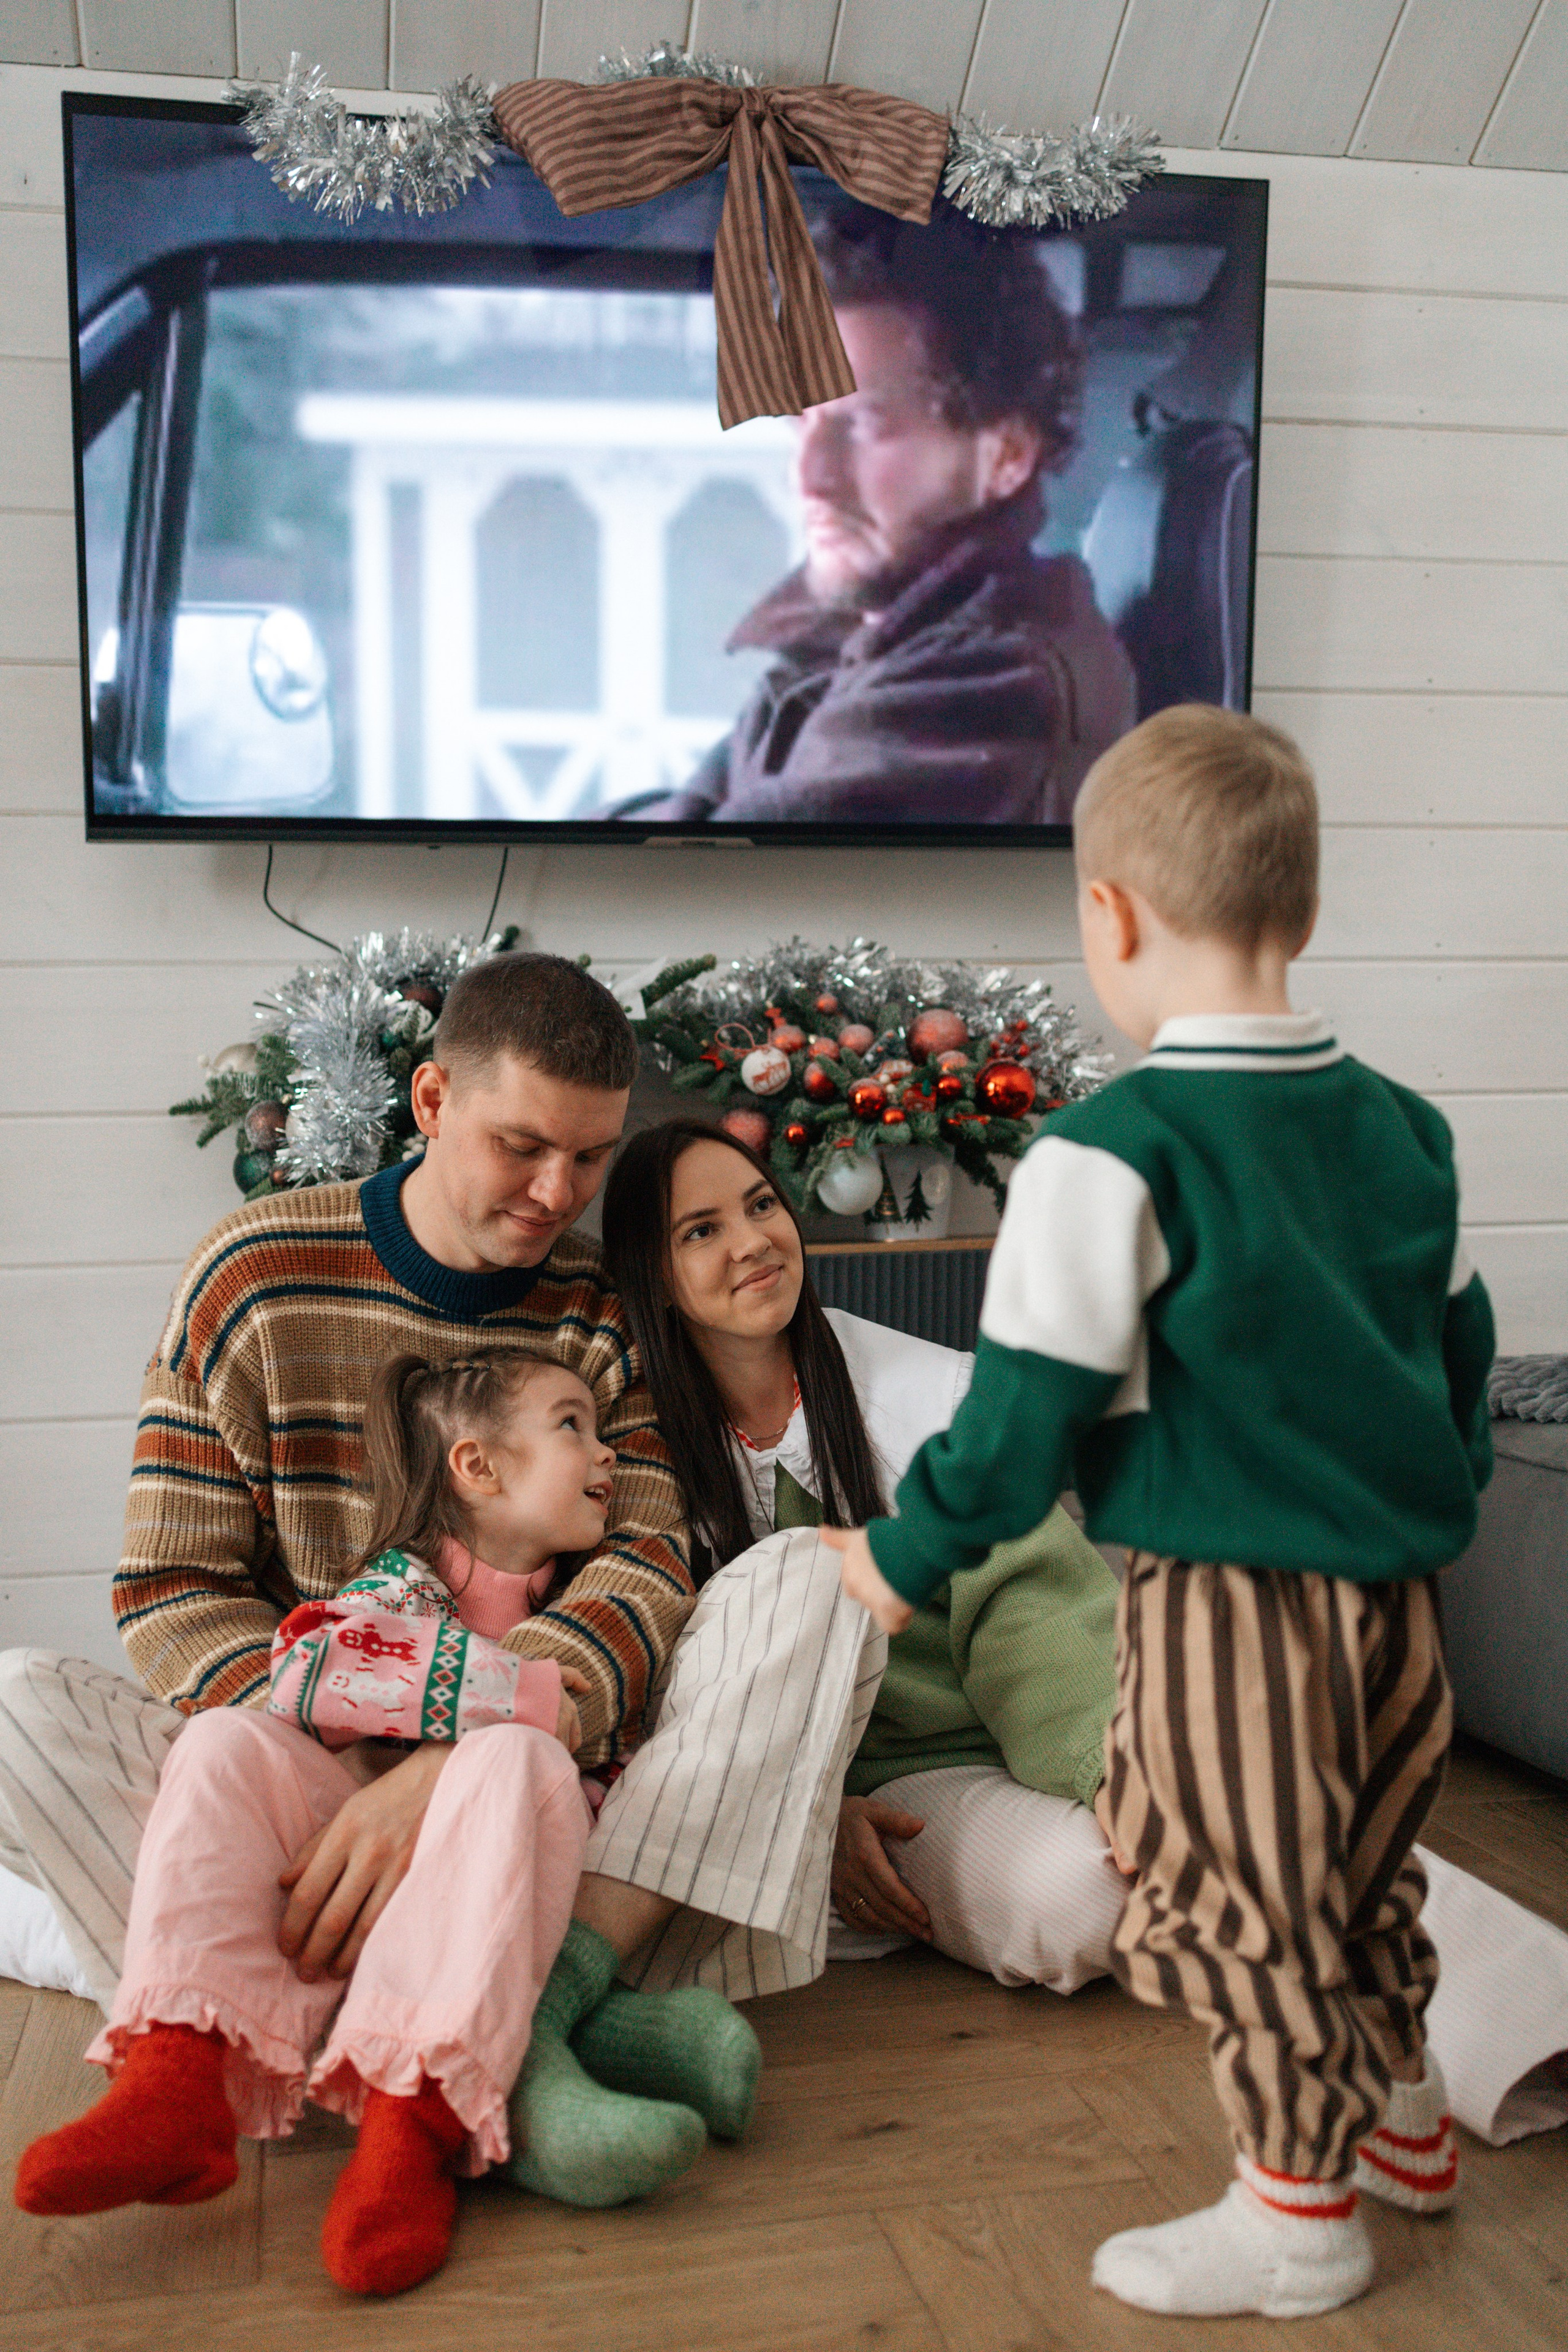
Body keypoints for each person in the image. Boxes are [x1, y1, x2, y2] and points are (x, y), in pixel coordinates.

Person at [829, 704, 1495, 2322]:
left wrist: (903, 1557)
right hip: (1401, 1603)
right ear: (1306, 909)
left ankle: (1295, 2215)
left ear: (1109, 919)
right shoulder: (1405, 1130)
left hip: (1226, 1606)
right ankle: (1402, 2118)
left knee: (1231, 1892)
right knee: (1362, 1862)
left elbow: (1020, 1414)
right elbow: (1461, 1354)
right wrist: (1430, 1500)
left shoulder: (1111, 1152)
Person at [0, 949, 852, 2206]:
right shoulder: (250, 1274)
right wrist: (359, 1766)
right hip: (306, 1773)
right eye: (521, 1146)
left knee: (809, 1591)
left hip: (530, 1772)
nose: (555, 1192)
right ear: (433, 1101)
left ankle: (463, 1999)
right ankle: (468, 2030)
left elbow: (646, 1572)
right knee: (19, 1706)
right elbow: (174, 1591)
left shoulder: (600, 1304)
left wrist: (448, 1769)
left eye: (591, 1156)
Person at [15, 1346, 709, 2295]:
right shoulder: (406, 1582)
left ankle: (409, 2125)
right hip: (344, 1866)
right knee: (222, 1742)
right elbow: (314, 1676)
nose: (607, 1456)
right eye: (571, 1427)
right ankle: (175, 2078)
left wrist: (497, 1732)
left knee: (514, 1758)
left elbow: (602, 1773)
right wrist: (531, 1693)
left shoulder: (599, 1610)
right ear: (477, 1466)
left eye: (601, 1431)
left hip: (495, 1900)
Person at [599, 1117, 1129, 1998]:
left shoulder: (920, 1392)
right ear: (654, 1275)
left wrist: (1118, 1777)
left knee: (1213, 1824)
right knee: (1080, 1903)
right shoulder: (634, 1449)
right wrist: (815, 1811)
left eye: (761, 1205)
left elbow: (1038, 1617)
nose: (753, 1242)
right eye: (702, 1231)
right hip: (891, 1790)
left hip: (1014, 1738)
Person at [631, 204, 1136, 827]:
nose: (808, 477)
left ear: (1004, 456)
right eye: (801, 422)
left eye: (864, 426)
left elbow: (691, 883)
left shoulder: (991, 688)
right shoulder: (861, 636)